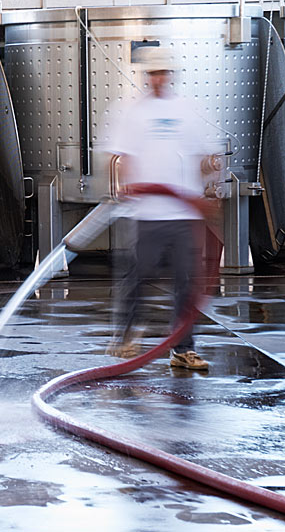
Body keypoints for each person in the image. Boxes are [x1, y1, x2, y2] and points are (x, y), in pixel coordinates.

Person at [105, 46, 209, 370]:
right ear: (147, 77)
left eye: (164, 72)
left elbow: (203, 156)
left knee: (187, 283)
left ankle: (182, 349)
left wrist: (209, 183)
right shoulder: (133, 111)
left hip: (183, 213)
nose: (159, 78)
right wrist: (128, 185)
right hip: (149, 212)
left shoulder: (189, 110)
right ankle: (124, 338)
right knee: (137, 277)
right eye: (154, 73)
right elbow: (123, 155)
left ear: (171, 75)